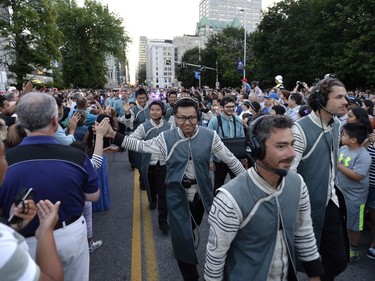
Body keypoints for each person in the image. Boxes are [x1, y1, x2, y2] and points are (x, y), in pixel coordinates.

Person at [105, 97, 245, 281]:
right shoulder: (166, 138)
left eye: (192, 118)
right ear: (175, 118)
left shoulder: (210, 136)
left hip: (201, 196)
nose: (187, 123)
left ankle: (187, 238)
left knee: (194, 227)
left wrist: (249, 183)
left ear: (198, 117)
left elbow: (231, 160)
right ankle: (190, 275)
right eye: (182, 118)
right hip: (176, 197)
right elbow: (141, 145)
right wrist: (113, 134)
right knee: (182, 240)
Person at [204, 115, 324, 281]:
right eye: (281, 146)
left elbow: (304, 232)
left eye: (292, 144)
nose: (292, 154)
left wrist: (314, 274)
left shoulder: (298, 183)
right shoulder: (229, 198)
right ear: (257, 148)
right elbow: (215, 257)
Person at [0, 92, 100, 281]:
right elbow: (93, 196)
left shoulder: (5, 161)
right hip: (69, 233)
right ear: (55, 123)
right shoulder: (76, 156)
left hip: (20, 239)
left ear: (20, 122)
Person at [291, 78, 348, 280]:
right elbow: (290, 175)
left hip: (330, 202)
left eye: (346, 96)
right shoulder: (299, 129)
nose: (345, 101)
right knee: (308, 262)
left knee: (338, 261)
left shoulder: (337, 124)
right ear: (322, 99)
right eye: (339, 97)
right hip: (306, 208)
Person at [129, 100, 171, 233]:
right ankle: (152, 200)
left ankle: (162, 221)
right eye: (152, 109)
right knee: (151, 189)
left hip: (164, 165)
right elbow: (133, 139)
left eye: (157, 109)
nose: (154, 112)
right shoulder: (144, 126)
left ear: (162, 111)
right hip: (149, 165)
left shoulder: (170, 127)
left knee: (163, 194)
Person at [336, 122, 371, 263]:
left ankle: (354, 249)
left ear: (353, 140)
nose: (341, 136)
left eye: (343, 134)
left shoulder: (364, 155)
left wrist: (338, 165)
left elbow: (357, 175)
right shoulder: (343, 149)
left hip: (356, 198)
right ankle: (344, 245)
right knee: (342, 221)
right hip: (340, 193)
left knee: (356, 224)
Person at [207, 96, 245, 191]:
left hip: (235, 158)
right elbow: (209, 141)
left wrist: (243, 157)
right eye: (228, 107)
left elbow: (242, 139)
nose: (231, 109)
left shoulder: (238, 120)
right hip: (220, 160)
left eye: (233, 106)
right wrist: (210, 160)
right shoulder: (214, 121)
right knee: (218, 184)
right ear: (222, 107)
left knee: (238, 184)